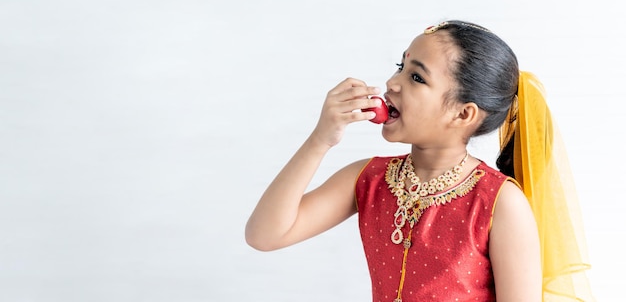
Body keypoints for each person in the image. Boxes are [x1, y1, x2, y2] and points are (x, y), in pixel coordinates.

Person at [245, 20, 593, 301]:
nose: (391, 83)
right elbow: (265, 235)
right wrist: (321, 140)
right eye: (401, 66)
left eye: (416, 77)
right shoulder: (369, 179)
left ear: (463, 114)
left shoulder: (500, 203)